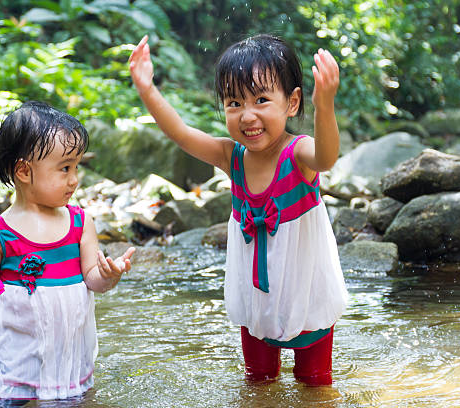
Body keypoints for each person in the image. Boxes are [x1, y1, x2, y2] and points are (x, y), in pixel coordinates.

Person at [129, 34, 347, 386]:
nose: (248, 115)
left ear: (292, 103)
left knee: (314, 381)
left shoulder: (300, 154)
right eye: (234, 103)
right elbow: (182, 135)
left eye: (261, 100)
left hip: (306, 295)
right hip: (257, 301)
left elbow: (327, 157)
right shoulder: (232, 157)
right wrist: (147, 89)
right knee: (257, 380)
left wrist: (325, 105)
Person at [0, 101, 135, 400]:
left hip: (69, 362)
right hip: (15, 365)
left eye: (77, 167)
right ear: (24, 171)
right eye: (65, 168)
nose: (74, 179)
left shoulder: (80, 222)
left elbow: (93, 281)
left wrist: (109, 275)